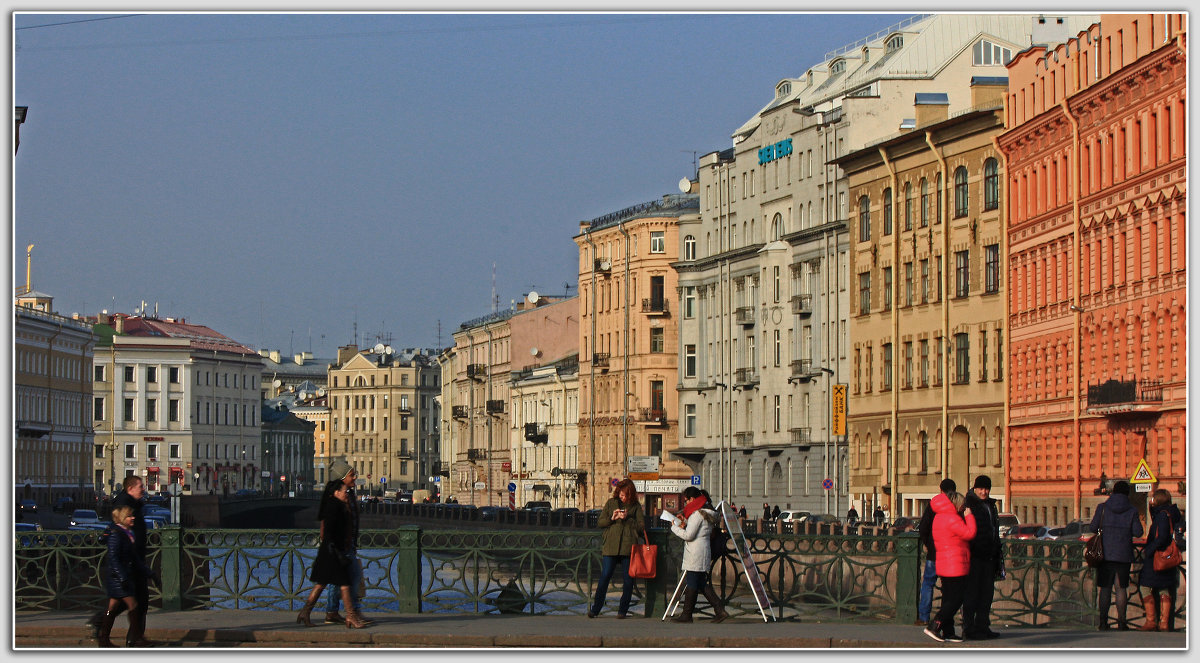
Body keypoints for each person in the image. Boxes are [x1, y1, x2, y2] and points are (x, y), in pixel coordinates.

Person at [87, 476, 157, 647]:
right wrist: (125, 573)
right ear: (130, 488)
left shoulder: (133, 503)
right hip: (126, 569)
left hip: (131, 564)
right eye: (140, 486)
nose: (143, 489)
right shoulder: (123, 511)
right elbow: (115, 554)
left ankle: (105, 629)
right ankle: (133, 638)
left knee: (124, 603)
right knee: (136, 603)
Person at [297, 480, 368, 628]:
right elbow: (330, 532)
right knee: (344, 584)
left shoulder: (335, 506)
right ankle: (351, 616)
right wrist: (337, 548)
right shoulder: (334, 507)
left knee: (321, 584)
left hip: (330, 552)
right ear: (336, 493)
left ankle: (305, 612)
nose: (346, 494)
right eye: (344, 491)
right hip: (333, 553)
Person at [320, 460, 373, 625]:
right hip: (340, 544)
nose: (354, 477)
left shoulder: (348, 492)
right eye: (351, 475)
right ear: (342, 477)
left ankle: (332, 612)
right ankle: (353, 612)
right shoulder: (337, 494)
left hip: (347, 543)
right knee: (353, 577)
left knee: (337, 581)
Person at [668, 487, 728, 623]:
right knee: (701, 583)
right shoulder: (706, 512)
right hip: (703, 550)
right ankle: (720, 610)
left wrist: (674, 527)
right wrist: (686, 522)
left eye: (687, 500)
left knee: (692, 583)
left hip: (695, 553)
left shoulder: (697, 515)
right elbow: (699, 529)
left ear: (693, 499)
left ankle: (687, 615)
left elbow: (689, 535)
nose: (686, 503)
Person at [1089, 480, 1143, 630]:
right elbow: (1138, 532)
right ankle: (1122, 622)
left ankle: (1103, 622)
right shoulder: (1132, 510)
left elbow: (1093, 527)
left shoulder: (1103, 507)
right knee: (1121, 589)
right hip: (1124, 554)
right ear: (1127, 493)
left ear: (1113, 492)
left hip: (1104, 555)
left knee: (1105, 589)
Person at [587, 478, 645, 618]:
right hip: (611, 545)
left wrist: (627, 519)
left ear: (630, 494)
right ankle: (595, 609)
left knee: (628, 579)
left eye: (624, 494)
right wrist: (612, 518)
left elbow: (641, 526)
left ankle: (622, 610)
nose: (621, 496)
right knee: (605, 576)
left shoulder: (635, 506)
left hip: (628, 546)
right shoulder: (611, 503)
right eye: (620, 493)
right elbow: (600, 522)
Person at [924, 490, 976, 643]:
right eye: (962, 504)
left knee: (948, 598)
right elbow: (970, 533)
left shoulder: (940, 516)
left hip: (945, 563)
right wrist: (969, 517)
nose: (963, 507)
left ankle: (948, 631)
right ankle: (935, 625)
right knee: (956, 598)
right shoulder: (952, 518)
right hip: (955, 564)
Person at [961, 475, 1002, 640]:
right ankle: (969, 628)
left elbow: (993, 530)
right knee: (972, 595)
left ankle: (983, 626)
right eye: (981, 489)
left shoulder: (990, 505)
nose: (984, 492)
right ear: (975, 488)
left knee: (987, 594)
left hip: (990, 556)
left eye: (987, 489)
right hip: (974, 556)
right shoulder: (969, 504)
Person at [1137, 488, 1182, 632]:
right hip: (1168, 558)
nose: (1151, 500)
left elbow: (1161, 537)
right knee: (1164, 588)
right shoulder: (1172, 513)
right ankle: (1164, 623)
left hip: (1158, 557)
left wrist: (1149, 550)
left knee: (1144, 586)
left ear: (1157, 501)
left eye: (1153, 499)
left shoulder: (1162, 516)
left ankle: (1151, 621)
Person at [917, 478, 956, 625]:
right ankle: (946, 618)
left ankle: (924, 617)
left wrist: (928, 544)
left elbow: (923, 528)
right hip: (950, 554)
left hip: (934, 553)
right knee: (950, 587)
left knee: (928, 583)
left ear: (940, 491)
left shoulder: (933, 505)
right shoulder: (956, 505)